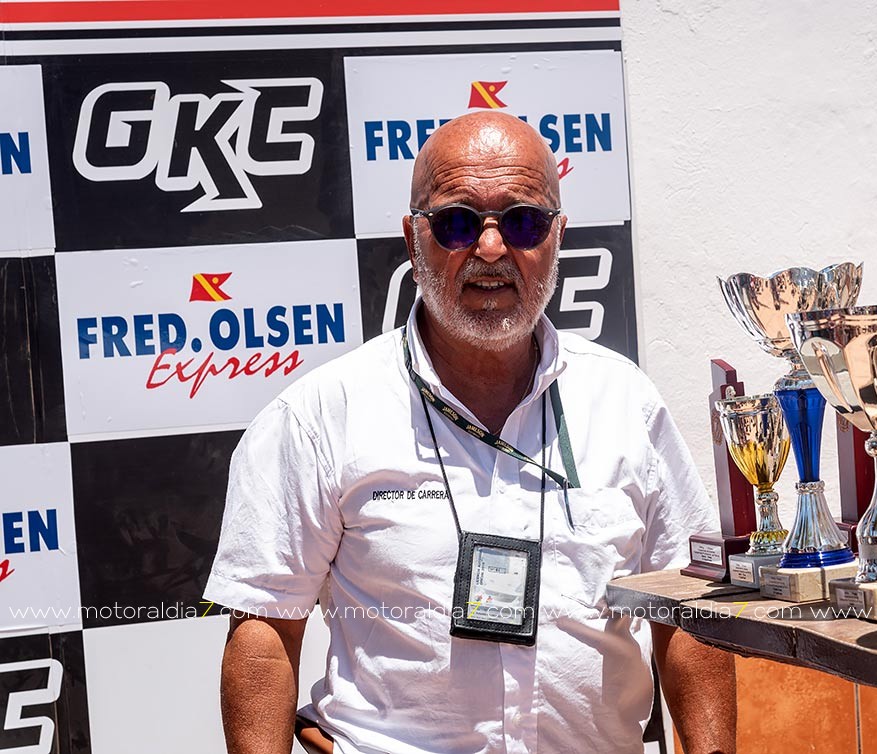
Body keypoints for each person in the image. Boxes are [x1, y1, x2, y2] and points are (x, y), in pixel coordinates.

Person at [204, 110, 736, 754]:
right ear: (413, 239)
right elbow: (265, 629)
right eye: (457, 223)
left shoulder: (626, 402)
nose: (490, 248)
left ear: (557, 236)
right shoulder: (319, 415)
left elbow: (688, 608)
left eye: (523, 221)